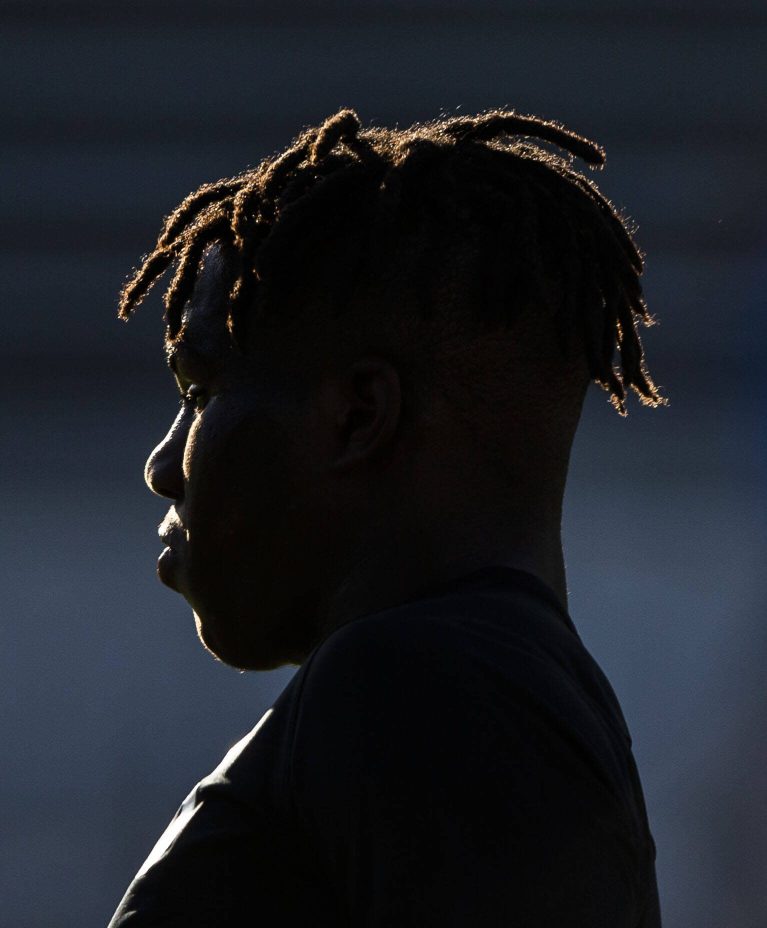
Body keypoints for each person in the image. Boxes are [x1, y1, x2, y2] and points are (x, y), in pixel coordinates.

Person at [108, 108, 664, 926]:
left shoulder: (422, 684)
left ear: (357, 414)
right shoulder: (485, 687)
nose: (162, 466)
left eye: (200, 392)